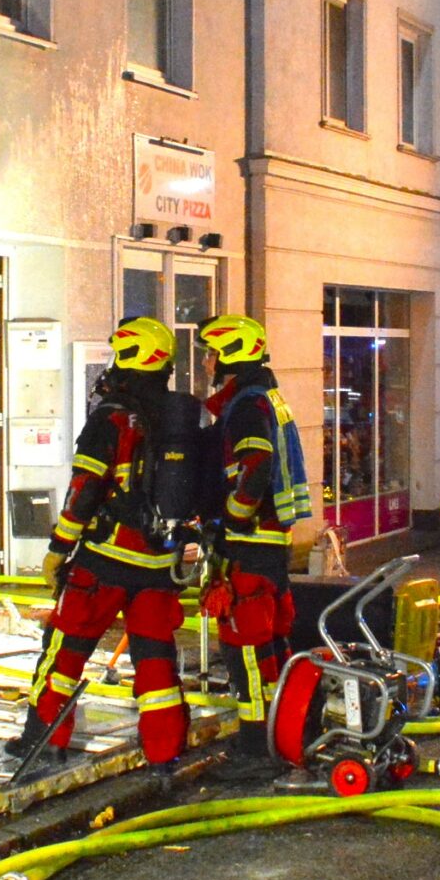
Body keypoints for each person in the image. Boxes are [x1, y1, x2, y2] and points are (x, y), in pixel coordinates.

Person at [13, 317, 191, 782]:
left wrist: (58, 548)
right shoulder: (178, 417)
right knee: (156, 662)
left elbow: (85, 488)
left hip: (106, 559)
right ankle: (165, 756)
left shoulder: (111, 417)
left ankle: (44, 744)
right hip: (158, 564)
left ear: (130, 358)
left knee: (66, 650)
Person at [197, 314, 312, 782]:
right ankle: (286, 727)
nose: (205, 361)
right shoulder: (265, 395)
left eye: (210, 352)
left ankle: (254, 746)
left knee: (243, 643)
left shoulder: (246, 405)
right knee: (270, 640)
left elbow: (256, 465)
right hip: (272, 544)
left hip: (250, 541)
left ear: (227, 355)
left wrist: (234, 514)